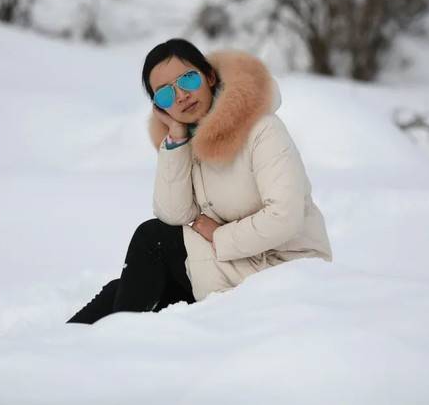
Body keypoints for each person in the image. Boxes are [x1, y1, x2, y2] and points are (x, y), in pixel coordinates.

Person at [66, 38, 332, 324]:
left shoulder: (262, 129)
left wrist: (219, 236)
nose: (181, 96)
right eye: (165, 95)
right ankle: (70, 341)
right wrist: (176, 138)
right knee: (129, 286)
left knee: (152, 241)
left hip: (285, 267)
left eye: (188, 80)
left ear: (209, 76)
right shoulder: (189, 141)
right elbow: (174, 214)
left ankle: (116, 340)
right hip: (238, 262)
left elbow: (284, 216)